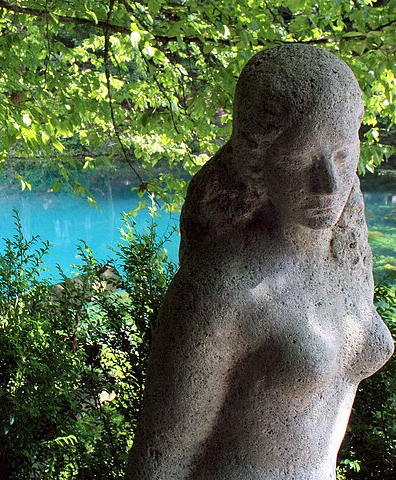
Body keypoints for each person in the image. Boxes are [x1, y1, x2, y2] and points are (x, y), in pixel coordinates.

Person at [125, 44, 394, 480]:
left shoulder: (348, 262)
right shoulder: (222, 288)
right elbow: (163, 457)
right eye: (299, 159)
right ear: (256, 162)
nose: (327, 184)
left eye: (343, 155)